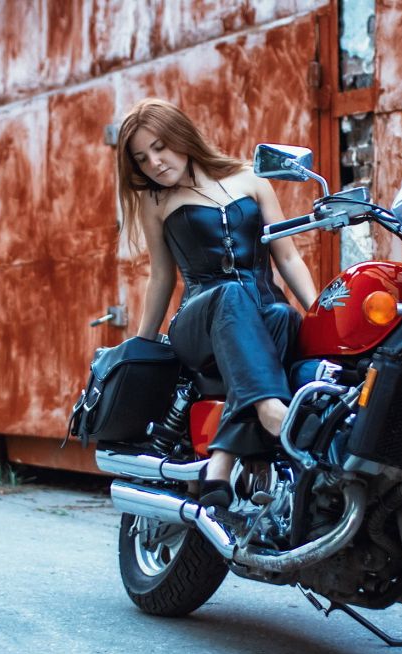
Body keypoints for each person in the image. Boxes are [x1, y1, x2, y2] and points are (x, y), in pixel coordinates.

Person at [116, 98, 317, 510]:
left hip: (259, 315)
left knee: (283, 315)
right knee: (231, 292)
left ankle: (222, 460)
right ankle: (270, 409)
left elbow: (288, 257)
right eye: (142, 158)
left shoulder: (250, 178)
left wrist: (318, 313)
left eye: (159, 147)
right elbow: (161, 277)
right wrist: (142, 344)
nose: (154, 163)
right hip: (199, 322)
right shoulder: (155, 201)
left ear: (182, 137)